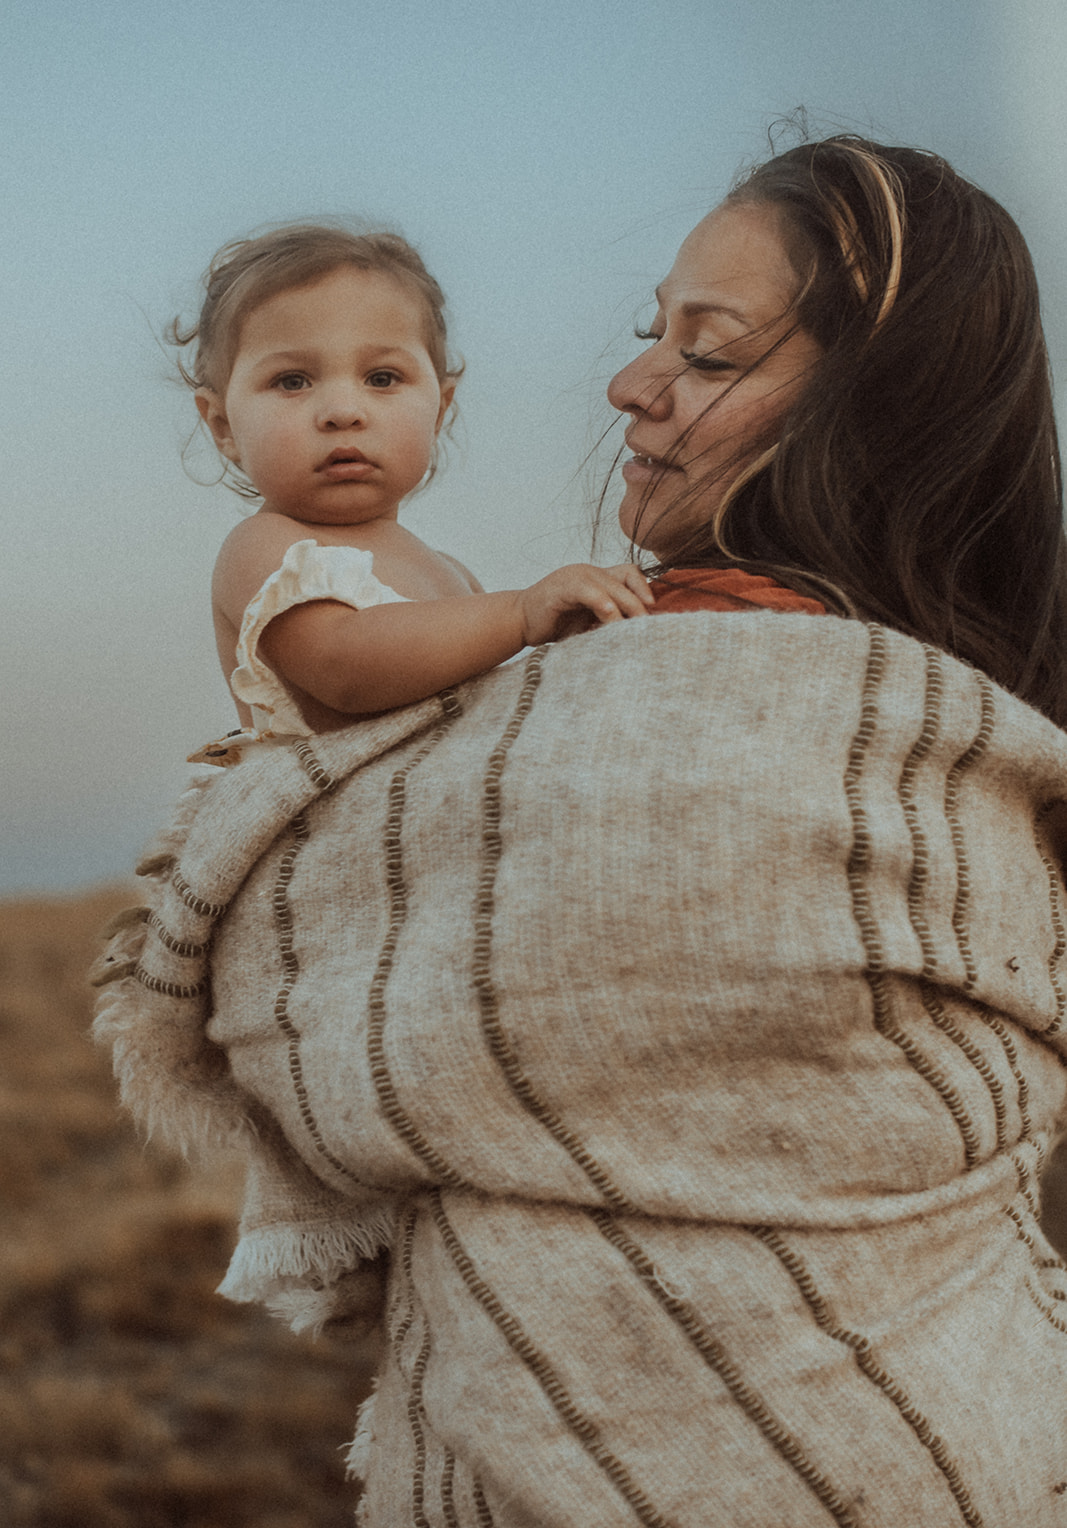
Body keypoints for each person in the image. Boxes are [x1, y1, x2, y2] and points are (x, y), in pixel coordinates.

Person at [97, 139, 1067, 1527]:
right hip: (968, 1451)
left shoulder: (740, 702)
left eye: (708, 353)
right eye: (644, 334)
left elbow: (393, 1015)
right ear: (218, 417)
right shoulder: (937, 711)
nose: (628, 384)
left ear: (876, 406)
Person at [175, 223, 653, 741]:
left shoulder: (453, 575)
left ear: (441, 409)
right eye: (292, 381)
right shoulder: (266, 546)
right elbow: (343, 668)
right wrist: (520, 613)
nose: (343, 411)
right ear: (222, 425)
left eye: (382, 378)